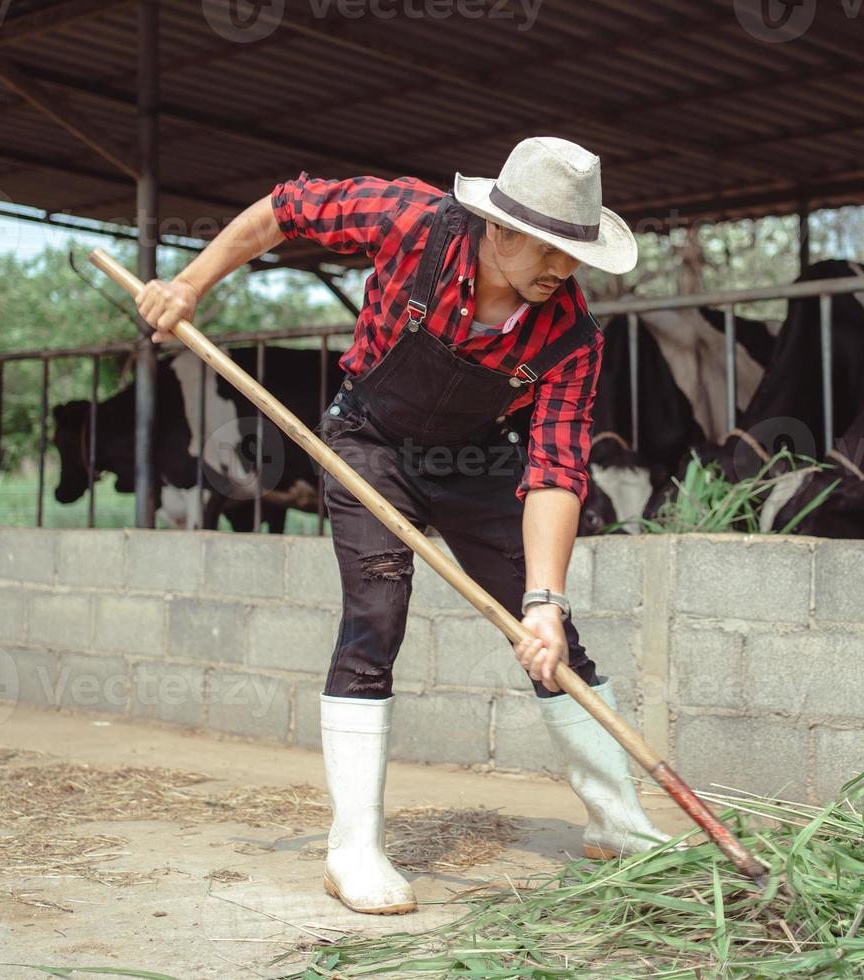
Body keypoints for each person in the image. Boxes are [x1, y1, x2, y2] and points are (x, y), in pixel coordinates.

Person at [136, 137, 671, 915]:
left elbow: (555, 469)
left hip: (476, 460)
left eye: (577, 253)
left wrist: (544, 599)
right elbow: (285, 210)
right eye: (553, 249)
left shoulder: (571, 338)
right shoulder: (412, 221)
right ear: (502, 230)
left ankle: (618, 823)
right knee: (376, 613)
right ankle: (353, 846)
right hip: (369, 443)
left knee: (551, 641)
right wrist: (188, 284)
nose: (565, 270)